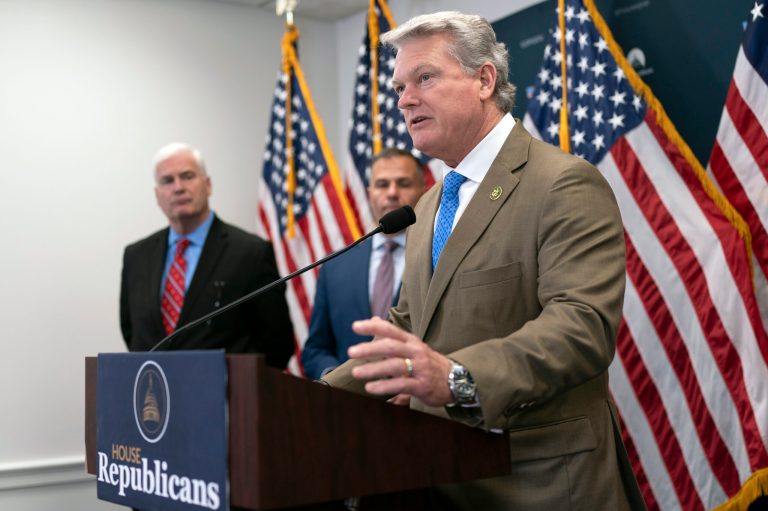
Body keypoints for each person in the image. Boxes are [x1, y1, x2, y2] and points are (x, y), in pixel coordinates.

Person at [322, 12, 646, 510]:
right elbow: (410, 327)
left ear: (484, 79)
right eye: (400, 86)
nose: (405, 99)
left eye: (424, 78)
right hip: (444, 477)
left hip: (542, 483)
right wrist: (309, 402)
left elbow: (581, 328)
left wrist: (454, 377)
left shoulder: (561, 182)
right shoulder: (426, 206)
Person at [120, 143, 294, 369]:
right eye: (167, 181)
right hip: (155, 398)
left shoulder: (251, 253)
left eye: (187, 176)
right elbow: (131, 331)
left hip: (227, 398)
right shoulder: (136, 256)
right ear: (157, 195)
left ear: (208, 185)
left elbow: (278, 344)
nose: (178, 187)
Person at [301, 148, 427, 379]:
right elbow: (315, 349)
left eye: (403, 183)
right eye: (381, 184)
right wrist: (335, 376)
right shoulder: (335, 265)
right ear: (369, 192)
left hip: (418, 402)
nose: (391, 193)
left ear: (424, 189)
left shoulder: (437, 256)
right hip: (347, 406)